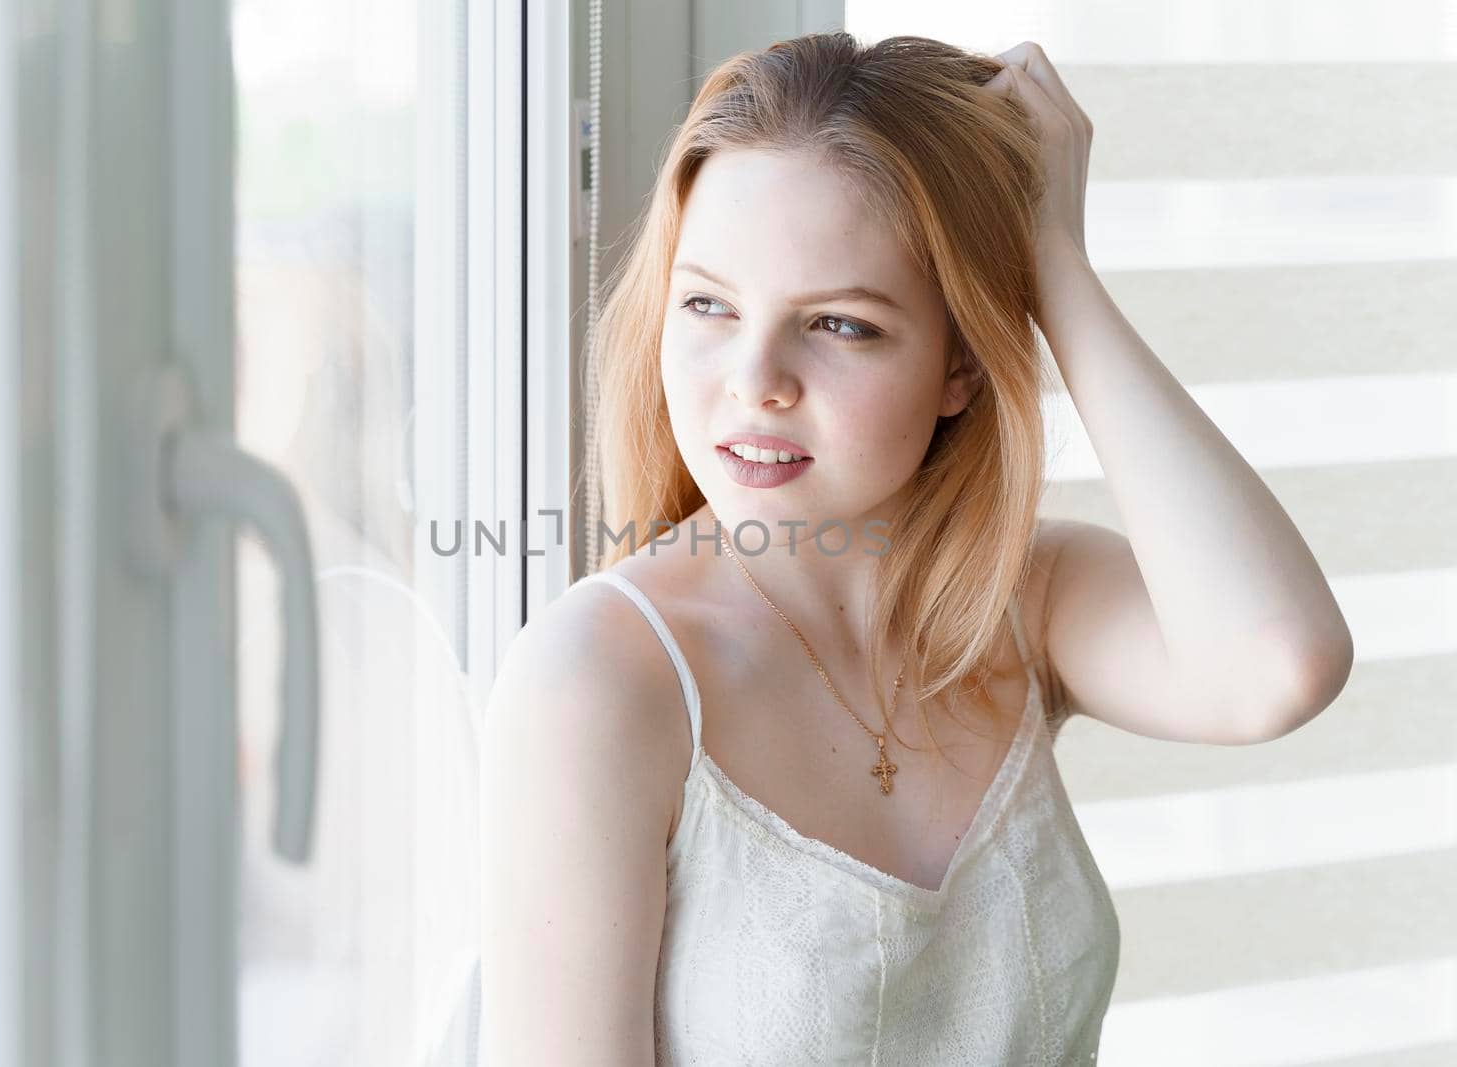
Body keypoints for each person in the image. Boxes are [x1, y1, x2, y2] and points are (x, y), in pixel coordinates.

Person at [478, 31, 1353, 1065]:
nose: (752, 377)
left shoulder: (1021, 601)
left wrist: (1055, 265)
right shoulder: (603, 676)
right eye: (707, 303)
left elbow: (1275, 666)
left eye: (839, 325)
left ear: (962, 368)